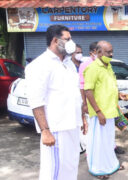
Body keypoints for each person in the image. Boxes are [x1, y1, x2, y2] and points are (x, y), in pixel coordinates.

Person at [25, 25, 87, 180]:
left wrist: (82, 118)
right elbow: (36, 100)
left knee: (70, 166)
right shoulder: (39, 65)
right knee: (53, 171)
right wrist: (45, 130)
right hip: (56, 128)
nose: (71, 42)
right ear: (55, 40)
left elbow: (74, 94)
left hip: (72, 125)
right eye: (67, 39)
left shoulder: (68, 63)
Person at [84, 41, 128, 179]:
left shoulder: (108, 66)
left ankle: (110, 165)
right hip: (100, 113)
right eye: (108, 52)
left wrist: (119, 95)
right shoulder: (92, 68)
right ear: (98, 52)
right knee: (97, 142)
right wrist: (98, 112)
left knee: (108, 141)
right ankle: (98, 169)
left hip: (110, 111)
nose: (111, 54)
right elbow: (88, 91)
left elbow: (108, 87)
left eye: (111, 51)